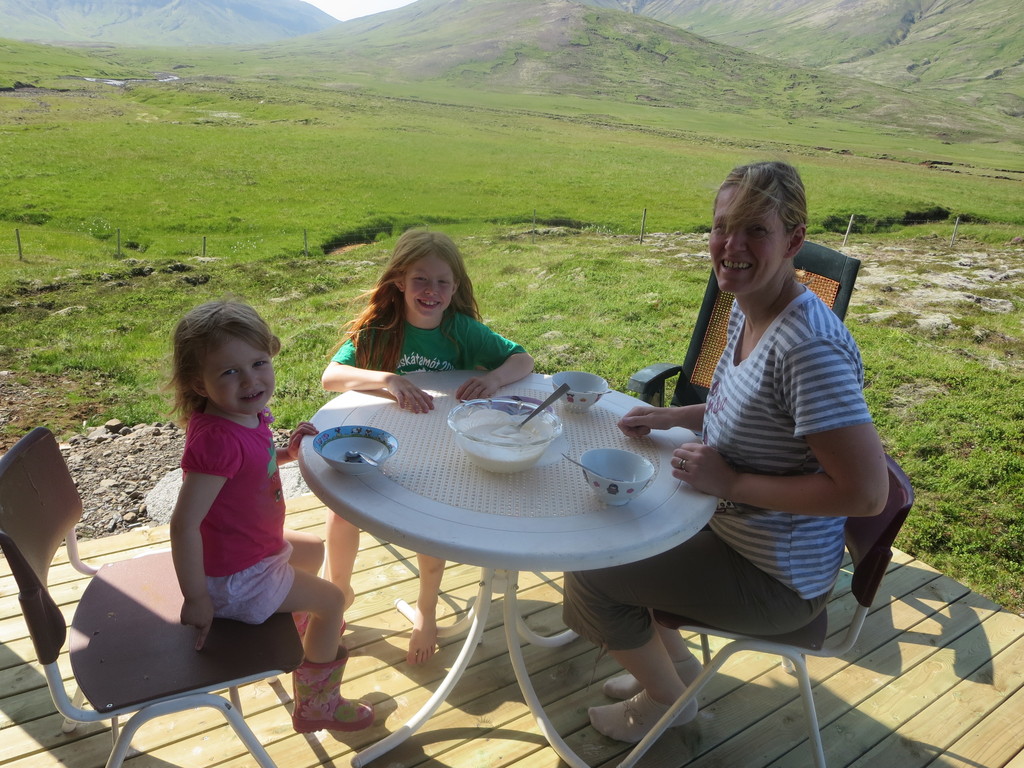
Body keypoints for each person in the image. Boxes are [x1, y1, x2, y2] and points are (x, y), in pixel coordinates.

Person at [562, 161, 889, 743]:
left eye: (753, 231)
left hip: (779, 580)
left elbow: (867, 493)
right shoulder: (747, 303)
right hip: (731, 532)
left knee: (593, 574)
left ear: (794, 239)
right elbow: (750, 409)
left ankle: (668, 700)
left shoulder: (808, 349)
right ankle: (677, 671)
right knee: (610, 535)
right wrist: (673, 416)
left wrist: (731, 482)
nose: (730, 247)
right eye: (721, 228)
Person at [321, 228, 535, 664]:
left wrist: (493, 377)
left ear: (455, 287)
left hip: (437, 449)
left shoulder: (462, 330)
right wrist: (387, 379)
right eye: (421, 279)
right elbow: (332, 377)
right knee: (341, 511)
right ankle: (337, 591)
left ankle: (426, 608)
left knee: (428, 522)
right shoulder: (382, 331)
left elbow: (523, 360)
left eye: (442, 282)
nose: (431, 291)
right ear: (400, 280)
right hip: (380, 445)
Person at [168, 300, 374, 734]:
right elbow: (183, 524)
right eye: (229, 371)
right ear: (198, 383)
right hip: (236, 578)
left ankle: (301, 623)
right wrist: (197, 598)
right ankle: (318, 704)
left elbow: (247, 467)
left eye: (259, 363)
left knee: (313, 549)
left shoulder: (241, 416)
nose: (250, 380)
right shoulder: (218, 441)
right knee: (333, 600)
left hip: (253, 551)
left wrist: (285, 452)